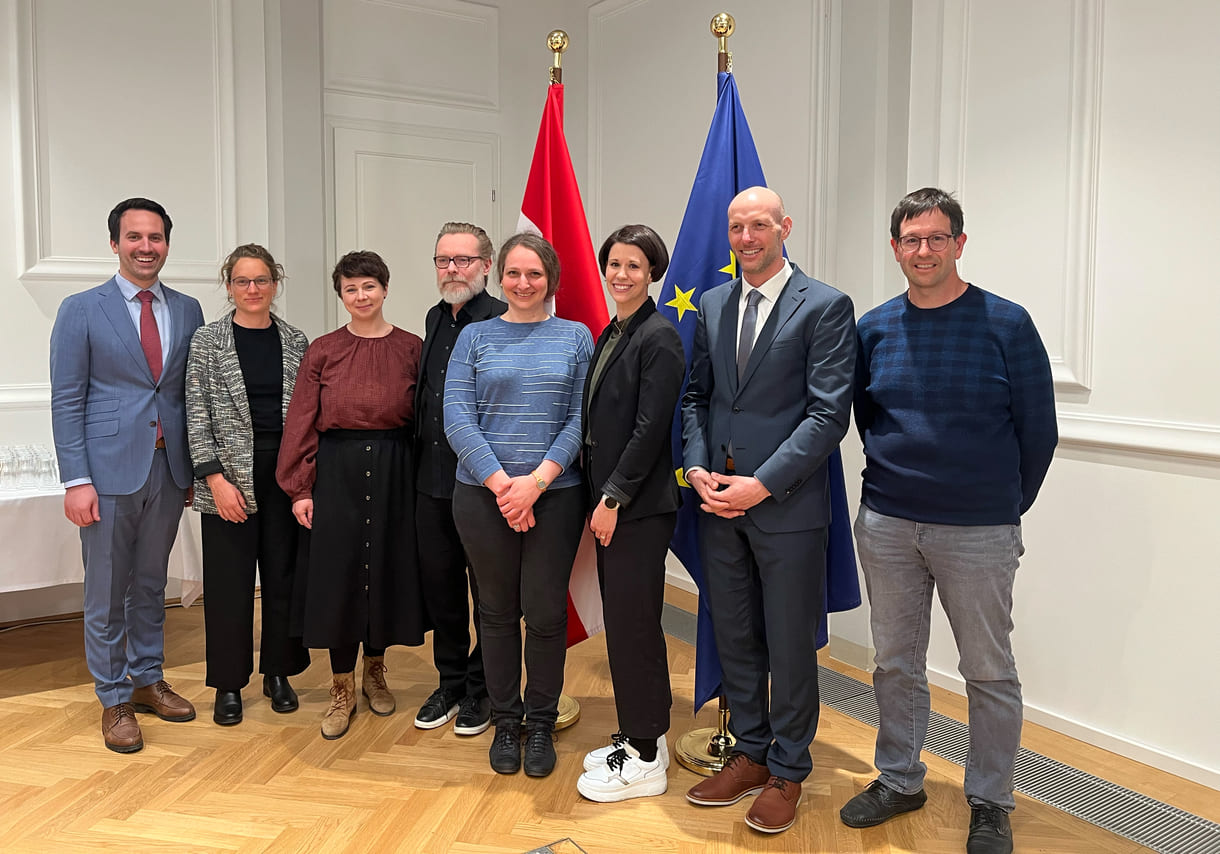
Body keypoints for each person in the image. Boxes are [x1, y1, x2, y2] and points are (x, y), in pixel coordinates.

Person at [838, 188, 1057, 854]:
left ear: (960, 243)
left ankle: (991, 800)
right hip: (888, 524)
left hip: (979, 531)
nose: (924, 250)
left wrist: (1001, 506)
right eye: (911, 239)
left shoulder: (1006, 323)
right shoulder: (873, 327)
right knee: (895, 663)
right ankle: (900, 779)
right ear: (896, 247)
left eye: (937, 238)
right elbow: (866, 418)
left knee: (988, 670)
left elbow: (1038, 431)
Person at [680, 187, 856, 834]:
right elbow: (697, 395)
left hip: (785, 507)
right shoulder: (714, 301)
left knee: (788, 643)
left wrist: (762, 484)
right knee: (737, 638)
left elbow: (827, 414)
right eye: (736, 227)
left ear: (785, 227)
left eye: (759, 225)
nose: (747, 237)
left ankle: (788, 770)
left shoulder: (827, 306)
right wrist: (697, 467)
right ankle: (749, 753)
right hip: (717, 503)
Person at [50, 197, 205, 753]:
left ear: (167, 243)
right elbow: (67, 399)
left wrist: (193, 468)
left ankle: (146, 679)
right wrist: (76, 479)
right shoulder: (81, 309)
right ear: (114, 243)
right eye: (135, 237)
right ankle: (113, 697)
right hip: (106, 472)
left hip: (168, 469)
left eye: (156, 237)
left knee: (150, 584)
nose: (147, 247)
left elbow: (186, 392)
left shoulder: (188, 309)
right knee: (107, 589)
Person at [444, 232, 592, 778]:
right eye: (513, 273)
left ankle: (540, 723)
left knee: (547, 614)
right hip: (483, 498)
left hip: (555, 497)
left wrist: (537, 481)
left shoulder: (577, 337)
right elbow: (456, 416)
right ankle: (506, 722)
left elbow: (581, 419)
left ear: (551, 278)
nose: (523, 283)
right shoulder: (474, 337)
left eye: (534, 274)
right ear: (497, 275)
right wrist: (504, 484)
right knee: (497, 613)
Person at [277, 250, 426, 740]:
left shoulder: (411, 347)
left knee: (383, 569)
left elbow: (426, 420)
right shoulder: (322, 350)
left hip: (395, 468)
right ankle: (341, 686)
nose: (360, 297)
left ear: (384, 289)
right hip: (335, 471)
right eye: (350, 289)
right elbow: (300, 418)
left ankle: (375, 673)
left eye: (368, 287)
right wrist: (299, 487)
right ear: (340, 296)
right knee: (339, 575)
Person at [575, 225, 684, 803]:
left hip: (636, 508)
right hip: (615, 502)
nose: (621, 274)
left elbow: (649, 432)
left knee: (634, 625)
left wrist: (613, 498)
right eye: (614, 264)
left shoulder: (659, 337)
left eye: (634, 266)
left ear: (652, 273)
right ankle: (646, 733)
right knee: (627, 623)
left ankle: (644, 757)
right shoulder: (616, 329)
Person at [185, 244, 312, 726]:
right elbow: (194, 415)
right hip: (227, 479)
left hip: (283, 478)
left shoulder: (297, 341)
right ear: (229, 286)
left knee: (283, 579)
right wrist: (213, 478)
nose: (253, 289)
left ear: (275, 284)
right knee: (228, 585)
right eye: (243, 281)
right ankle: (228, 683)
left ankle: (279, 672)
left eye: (261, 280)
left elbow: (308, 416)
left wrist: (303, 482)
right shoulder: (207, 342)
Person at [413, 223, 506, 737]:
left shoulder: (500, 319)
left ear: (486, 266)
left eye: (463, 260)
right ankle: (450, 681)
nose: (452, 269)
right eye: (443, 260)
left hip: (480, 484)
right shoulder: (434, 318)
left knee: (487, 595)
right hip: (430, 482)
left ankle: (485, 688)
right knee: (442, 590)